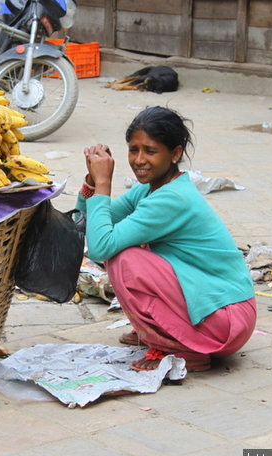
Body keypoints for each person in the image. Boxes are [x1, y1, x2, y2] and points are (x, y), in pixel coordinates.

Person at [76, 106, 256, 371]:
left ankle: (183, 349)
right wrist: (92, 181)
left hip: (227, 320)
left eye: (150, 151)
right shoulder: (149, 190)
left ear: (175, 154)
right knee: (123, 249)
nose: (139, 160)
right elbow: (89, 223)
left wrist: (104, 185)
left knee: (124, 258)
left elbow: (101, 247)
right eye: (133, 149)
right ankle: (167, 331)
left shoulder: (172, 198)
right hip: (219, 314)